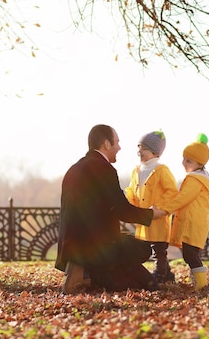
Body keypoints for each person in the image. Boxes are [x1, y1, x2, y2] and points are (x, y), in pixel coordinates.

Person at [55, 124, 168, 293]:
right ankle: (88, 272)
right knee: (142, 249)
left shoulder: (74, 169)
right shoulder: (103, 169)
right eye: (117, 142)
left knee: (137, 281)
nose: (119, 148)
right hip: (95, 246)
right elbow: (120, 209)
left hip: (71, 246)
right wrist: (152, 214)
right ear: (107, 144)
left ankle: (87, 274)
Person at [162, 133, 209, 291]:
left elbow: (183, 199)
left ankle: (201, 285)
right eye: (184, 159)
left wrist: (165, 209)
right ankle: (199, 282)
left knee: (190, 255)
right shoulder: (200, 179)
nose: (183, 163)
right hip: (196, 223)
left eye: (188, 161)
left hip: (193, 224)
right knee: (190, 254)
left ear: (199, 163)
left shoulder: (194, 180)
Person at [125, 130, 178, 284]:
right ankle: (168, 273)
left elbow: (171, 191)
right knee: (147, 247)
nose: (139, 152)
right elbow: (132, 191)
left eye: (143, 148)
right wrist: (130, 204)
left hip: (158, 217)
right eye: (138, 147)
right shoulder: (136, 171)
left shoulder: (162, 170)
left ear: (154, 152)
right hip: (143, 218)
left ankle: (160, 274)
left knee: (159, 250)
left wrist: (159, 207)